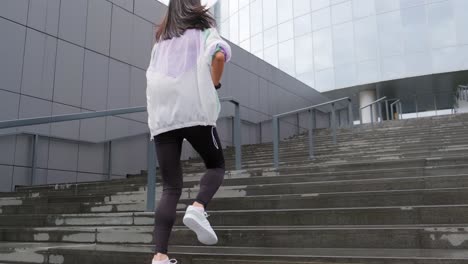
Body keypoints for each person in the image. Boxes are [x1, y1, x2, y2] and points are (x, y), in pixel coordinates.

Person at [145, 0, 231, 263]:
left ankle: (160, 256)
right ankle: (198, 207)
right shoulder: (205, 33)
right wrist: (214, 83)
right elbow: (218, 56)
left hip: (162, 118)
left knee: (171, 187)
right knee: (216, 166)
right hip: (195, 113)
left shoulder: (160, 44)